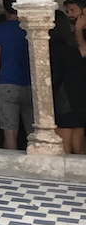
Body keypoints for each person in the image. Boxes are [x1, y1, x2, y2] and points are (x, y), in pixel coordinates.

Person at [0, 0, 33, 150]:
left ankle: (12, 170)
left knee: (10, 132)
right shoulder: (31, 26)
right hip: (31, 84)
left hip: (6, 85)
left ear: (5, 9)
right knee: (34, 132)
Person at [49, 8, 86, 154]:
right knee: (77, 145)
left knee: (63, 147)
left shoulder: (52, 49)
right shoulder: (72, 49)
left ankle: (64, 176)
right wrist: (78, 30)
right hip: (79, 100)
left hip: (63, 100)